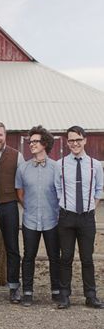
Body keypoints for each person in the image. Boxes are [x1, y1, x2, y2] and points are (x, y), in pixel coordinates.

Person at [55, 125, 104, 309]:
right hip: (66, 217)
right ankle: (64, 295)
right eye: (71, 140)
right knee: (65, 257)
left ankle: (90, 296)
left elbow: (99, 189)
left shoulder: (95, 165)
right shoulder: (60, 164)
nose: (75, 143)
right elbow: (57, 188)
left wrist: (92, 206)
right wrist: (65, 205)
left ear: (84, 140)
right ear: (67, 142)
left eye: (78, 139)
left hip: (87, 218)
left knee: (87, 258)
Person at [16, 125, 60, 306]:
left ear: (45, 143)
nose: (31, 144)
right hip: (30, 220)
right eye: (30, 141)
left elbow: (61, 192)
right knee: (28, 256)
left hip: (52, 220)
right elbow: (19, 192)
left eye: (35, 141)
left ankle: (56, 291)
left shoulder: (57, 168)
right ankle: (27, 292)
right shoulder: (23, 168)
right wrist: (29, 207)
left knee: (54, 256)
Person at [0, 121, 23, 303]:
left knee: (13, 248)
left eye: (0, 135)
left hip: (9, 205)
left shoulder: (17, 156)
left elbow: (22, 183)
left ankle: (14, 286)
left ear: (5, 136)